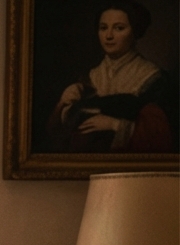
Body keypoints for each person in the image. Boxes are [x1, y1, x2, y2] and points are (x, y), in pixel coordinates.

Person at [46, 2, 176, 153]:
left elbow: (162, 138)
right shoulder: (89, 78)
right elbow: (57, 136)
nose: (108, 36)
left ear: (135, 31)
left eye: (119, 28)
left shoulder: (154, 79)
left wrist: (115, 125)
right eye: (103, 28)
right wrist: (62, 103)